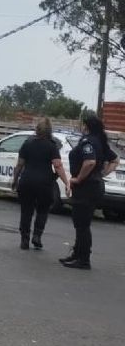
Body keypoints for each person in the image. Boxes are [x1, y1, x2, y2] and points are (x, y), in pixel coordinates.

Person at [60, 115, 119, 269]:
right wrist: (102, 174)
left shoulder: (88, 142)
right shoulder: (100, 141)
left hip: (87, 187)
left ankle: (84, 259)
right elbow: (115, 160)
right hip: (93, 185)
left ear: (86, 126)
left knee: (82, 224)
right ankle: (77, 254)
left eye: (82, 125)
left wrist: (79, 178)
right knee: (80, 223)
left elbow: (90, 162)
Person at [11, 118, 70, 251]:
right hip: (44, 183)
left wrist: (15, 180)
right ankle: (37, 236)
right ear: (50, 131)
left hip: (27, 181)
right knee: (42, 210)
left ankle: (24, 239)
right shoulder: (52, 145)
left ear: (37, 129)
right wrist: (66, 182)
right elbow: (58, 165)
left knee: (26, 210)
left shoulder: (27, 143)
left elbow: (20, 164)